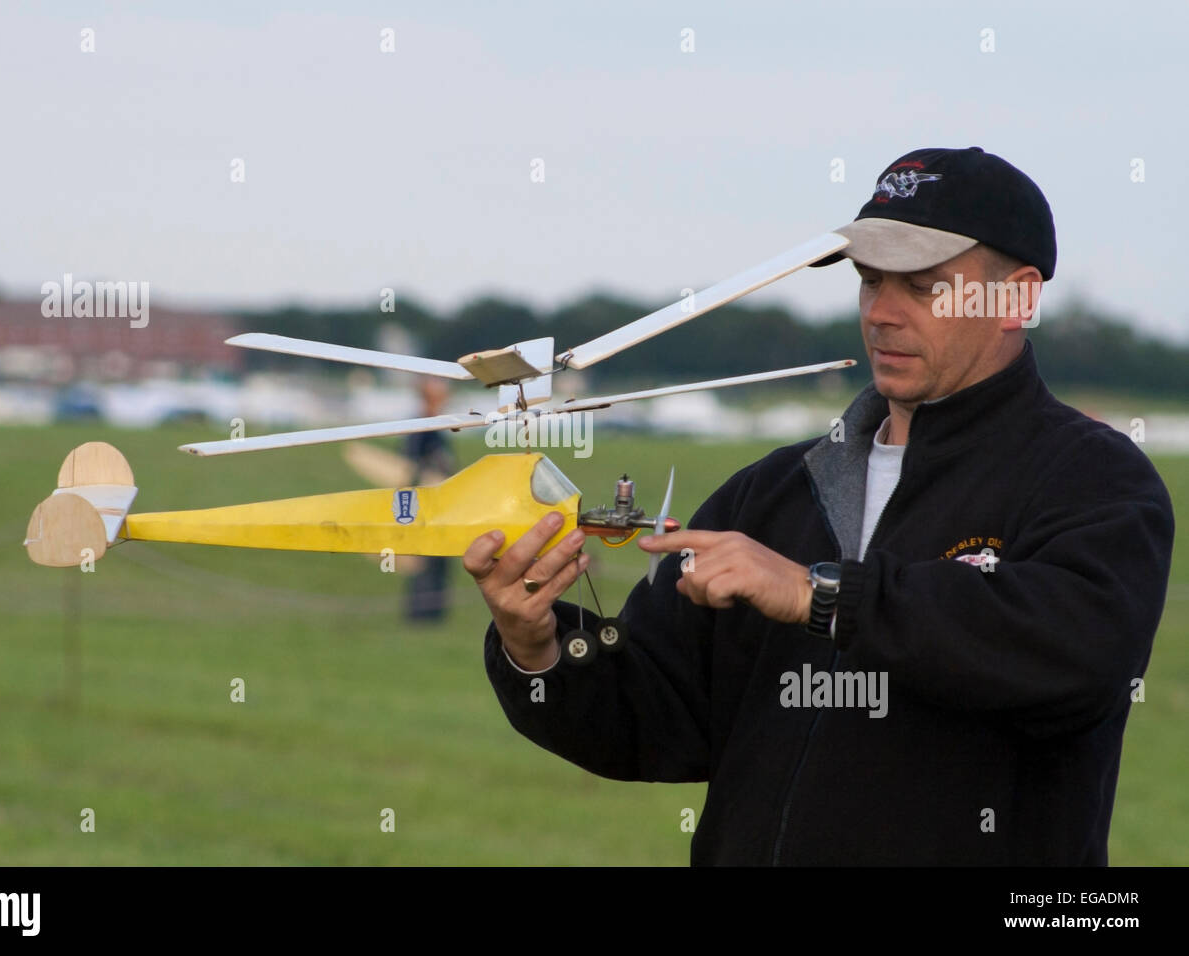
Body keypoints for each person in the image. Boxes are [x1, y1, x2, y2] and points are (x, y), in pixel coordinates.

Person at [461, 147, 1176, 865]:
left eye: (924, 287)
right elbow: (654, 718)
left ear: (1018, 298)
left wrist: (820, 595)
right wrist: (540, 648)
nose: (882, 315)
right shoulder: (771, 489)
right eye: (870, 282)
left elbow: (1078, 654)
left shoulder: (1094, 477)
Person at [404, 377, 456, 622]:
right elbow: (411, 467)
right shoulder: (422, 428)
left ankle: (433, 613)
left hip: (441, 505)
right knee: (426, 561)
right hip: (426, 507)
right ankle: (423, 614)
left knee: (439, 562)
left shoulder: (433, 426)